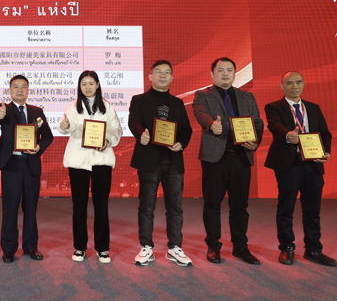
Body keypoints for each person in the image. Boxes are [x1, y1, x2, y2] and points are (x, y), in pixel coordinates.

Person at [192, 57, 264, 265]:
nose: (225, 74)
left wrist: (255, 141)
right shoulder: (202, 95)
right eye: (221, 70)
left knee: (240, 205)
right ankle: (213, 247)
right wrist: (211, 125)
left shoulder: (247, 96)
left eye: (229, 70)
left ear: (234, 73)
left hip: (241, 156)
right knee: (212, 204)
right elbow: (201, 114)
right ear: (212, 74)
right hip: (216, 158)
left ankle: (240, 247)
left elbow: (258, 122)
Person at [264, 72, 337, 267]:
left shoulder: (313, 108)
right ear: (282, 86)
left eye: (298, 82)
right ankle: (286, 247)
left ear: (303, 84)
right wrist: (289, 135)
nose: (294, 86)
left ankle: (313, 249)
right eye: (289, 83)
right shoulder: (274, 107)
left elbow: (325, 134)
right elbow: (274, 126)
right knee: (286, 208)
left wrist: (326, 152)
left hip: (313, 163)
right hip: (289, 164)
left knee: (313, 209)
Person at [129, 60, 194, 267]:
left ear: (172, 78)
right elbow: (133, 122)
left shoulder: (177, 103)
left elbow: (186, 129)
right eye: (158, 72)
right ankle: (146, 247)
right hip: (149, 159)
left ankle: (175, 247)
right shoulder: (139, 100)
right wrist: (141, 134)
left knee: (175, 208)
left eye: (167, 72)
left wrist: (181, 143)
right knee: (146, 206)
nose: (163, 75)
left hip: (173, 161)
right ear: (150, 76)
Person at [58, 71, 121, 263]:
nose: (87, 87)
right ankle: (80, 247)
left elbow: (116, 130)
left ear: (98, 85)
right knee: (79, 206)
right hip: (79, 162)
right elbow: (67, 125)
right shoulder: (73, 106)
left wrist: (107, 141)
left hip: (101, 160)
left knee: (101, 206)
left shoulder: (107, 107)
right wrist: (65, 125)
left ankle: (103, 248)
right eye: (84, 84)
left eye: (91, 83)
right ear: (79, 86)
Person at [0, 75, 53, 263]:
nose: (19, 90)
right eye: (15, 87)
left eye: (23, 87)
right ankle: (8, 249)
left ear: (28, 90)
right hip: (12, 165)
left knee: (31, 209)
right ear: (10, 90)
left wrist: (39, 147)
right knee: (10, 208)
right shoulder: (5, 109)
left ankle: (31, 247)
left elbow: (48, 136)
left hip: (31, 164)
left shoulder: (37, 111)